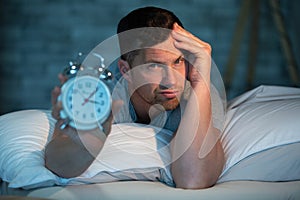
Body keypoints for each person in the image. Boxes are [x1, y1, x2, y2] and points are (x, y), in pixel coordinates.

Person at [45, 6, 225, 189]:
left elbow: (193, 179)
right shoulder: (101, 94)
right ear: (126, 70)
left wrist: (201, 81)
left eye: (177, 61)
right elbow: (57, 166)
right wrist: (85, 146)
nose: (171, 80)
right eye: (154, 66)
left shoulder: (199, 90)